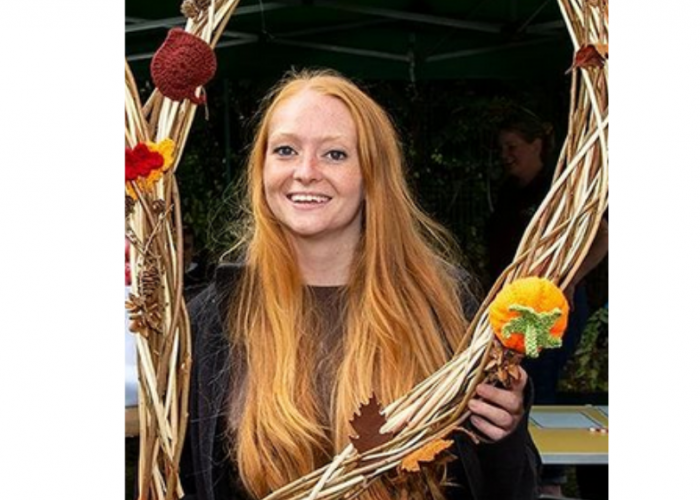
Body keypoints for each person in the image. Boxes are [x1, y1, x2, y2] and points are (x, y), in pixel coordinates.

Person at [179, 69, 541, 500]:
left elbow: (509, 486)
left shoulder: (441, 302)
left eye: (334, 154)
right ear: (261, 170)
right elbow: (189, 477)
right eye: (286, 150)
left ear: (373, 174)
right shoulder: (216, 316)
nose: (305, 172)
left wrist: (504, 431)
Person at [486, 111, 608, 496]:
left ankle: (549, 480)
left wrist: (568, 281)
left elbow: (603, 236)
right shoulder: (510, 191)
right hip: (510, 308)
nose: (506, 155)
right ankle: (527, 470)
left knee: (541, 385)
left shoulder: (554, 190)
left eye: (513, 147)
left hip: (546, 310)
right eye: (502, 148)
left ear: (537, 145)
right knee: (512, 381)